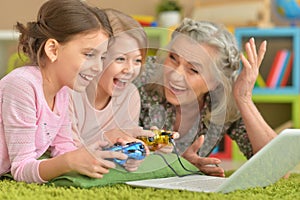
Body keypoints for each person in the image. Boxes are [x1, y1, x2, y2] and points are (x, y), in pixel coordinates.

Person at [0, 0, 127, 183]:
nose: (98, 67)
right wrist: (68, 161)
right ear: (53, 49)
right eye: (89, 54)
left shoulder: (63, 92)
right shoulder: (22, 86)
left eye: (103, 57)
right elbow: (20, 169)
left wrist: (104, 149)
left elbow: (64, 147)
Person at [134, 18, 277, 177]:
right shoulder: (138, 77)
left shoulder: (223, 101)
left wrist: (244, 98)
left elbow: (276, 167)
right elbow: (107, 147)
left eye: (193, 70)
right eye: (173, 58)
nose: (175, 75)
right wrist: (177, 164)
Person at [69, 8, 152, 172]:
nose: (129, 69)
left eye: (137, 60)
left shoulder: (131, 95)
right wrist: (108, 136)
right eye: (120, 59)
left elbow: (121, 145)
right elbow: (66, 152)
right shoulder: (70, 93)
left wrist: (133, 153)